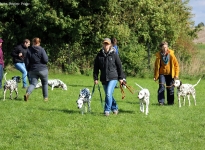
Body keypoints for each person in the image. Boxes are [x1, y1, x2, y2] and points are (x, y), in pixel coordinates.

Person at [93, 38, 124, 116]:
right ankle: (115, 108)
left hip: (113, 77)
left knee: (108, 94)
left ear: (110, 45)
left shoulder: (114, 54)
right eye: (105, 44)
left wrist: (121, 78)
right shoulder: (99, 55)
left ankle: (107, 110)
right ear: (103, 44)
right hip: (103, 78)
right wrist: (95, 78)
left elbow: (119, 66)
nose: (106, 45)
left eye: (107, 44)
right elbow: (96, 67)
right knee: (109, 94)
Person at [154, 41, 179, 105]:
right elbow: (156, 67)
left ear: (167, 47)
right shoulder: (158, 56)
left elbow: (176, 65)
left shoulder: (171, 55)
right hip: (162, 74)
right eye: (163, 47)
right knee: (161, 86)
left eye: (166, 47)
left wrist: (176, 74)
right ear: (161, 48)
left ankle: (170, 102)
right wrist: (155, 76)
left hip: (170, 74)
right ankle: (161, 102)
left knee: (170, 88)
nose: (165, 48)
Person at [24, 37, 48, 101]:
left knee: (33, 84)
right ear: (39, 43)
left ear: (33, 42)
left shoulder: (29, 50)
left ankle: (27, 93)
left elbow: (26, 62)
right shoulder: (42, 49)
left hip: (33, 70)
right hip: (43, 69)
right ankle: (45, 98)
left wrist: (28, 69)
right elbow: (46, 60)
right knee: (44, 83)